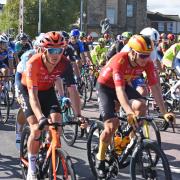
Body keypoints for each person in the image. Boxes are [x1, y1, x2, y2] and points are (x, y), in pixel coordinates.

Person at [95, 34, 175, 178]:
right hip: (105, 87)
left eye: (148, 55)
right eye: (142, 56)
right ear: (131, 52)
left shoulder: (148, 63)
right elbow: (119, 91)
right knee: (111, 126)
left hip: (123, 85)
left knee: (141, 106)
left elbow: (155, 87)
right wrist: (129, 112)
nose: (146, 59)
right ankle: (99, 159)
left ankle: (130, 142)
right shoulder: (120, 60)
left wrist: (164, 112)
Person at [15, 31, 85, 180]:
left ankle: (49, 145)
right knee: (36, 128)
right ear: (43, 50)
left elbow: (73, 90)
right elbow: (33, 97)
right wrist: (40, 117)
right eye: (51, 50)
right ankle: (32, 169)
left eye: (59, 50)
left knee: (57, 121)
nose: (56, 54)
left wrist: (79, 115)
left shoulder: (64, 63)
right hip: (28, 90)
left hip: (47, 90)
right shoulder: (33, 62)